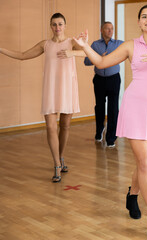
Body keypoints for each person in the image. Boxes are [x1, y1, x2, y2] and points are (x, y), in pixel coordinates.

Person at [73, 5, 147, 239]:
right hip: (135, 107)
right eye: (144, 17)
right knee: (145, 162)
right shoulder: (129, 45)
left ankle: (132, 195)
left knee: (146, 164)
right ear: (139, 22)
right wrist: (85, 45)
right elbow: (101, 62)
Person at [0, 13, 85, 183]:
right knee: (50, 128)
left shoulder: (72, 42)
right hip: (50, 89)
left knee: (65, 126)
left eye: (60, 24)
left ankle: (61, 158)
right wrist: (1, 49)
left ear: (65, 25)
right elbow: (23, 55)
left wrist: (72, 53)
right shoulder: (45, 44)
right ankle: (56, 165)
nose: (57, 27)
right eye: (54, 24)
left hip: (67, 88)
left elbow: (88, 53)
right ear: (50, 26)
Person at [84, 22, 123, 148]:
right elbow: (86, 61)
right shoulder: (95, 45)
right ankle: (99, 130)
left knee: (113, 108)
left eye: (112, 29)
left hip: (114, 79)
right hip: (99, 79)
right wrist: (98, 57)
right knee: (99, 107)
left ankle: (111, 137)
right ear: (102, 30)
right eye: (107, 28)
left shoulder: (119, 44)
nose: (110, 31)